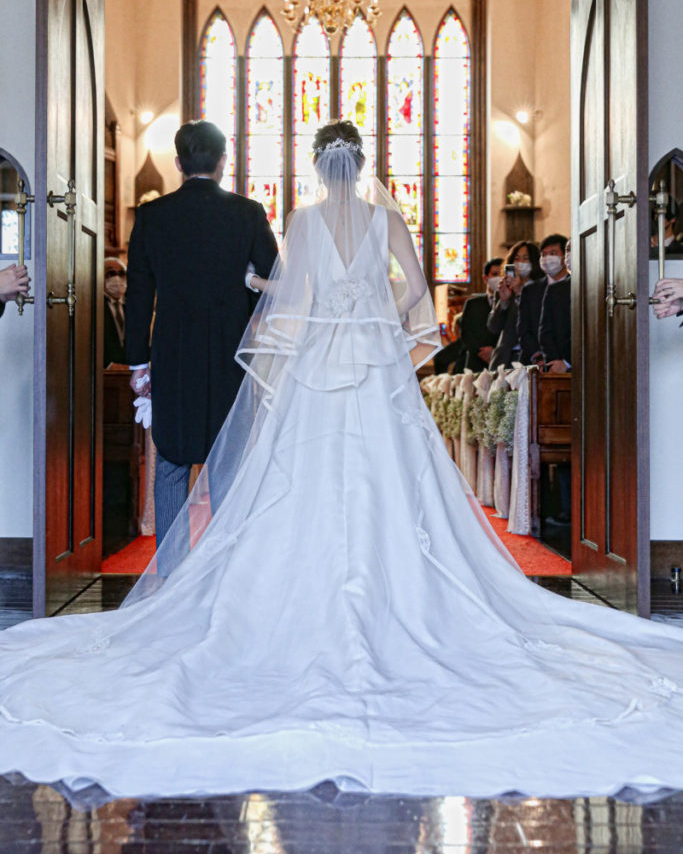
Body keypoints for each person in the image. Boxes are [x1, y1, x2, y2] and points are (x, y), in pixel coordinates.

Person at [4, 122, 683, 802]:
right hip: (373, 361)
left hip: (317, 366)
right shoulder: (386, 219)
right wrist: (374, 311)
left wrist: (263, 286)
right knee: (388, 477)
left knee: (302, 479)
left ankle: (264, 600)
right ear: (361, 167)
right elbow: (416, 294)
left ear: (317, 166)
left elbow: (290, 298)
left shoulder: (302, 221)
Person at [125, 120, 278, 550]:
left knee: (172, 462)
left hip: (173, 355)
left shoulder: (152, 216)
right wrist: (245, 284)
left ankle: (171, 574)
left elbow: (139, 294)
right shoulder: (248, 213)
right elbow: (277, 279)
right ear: (224, 161)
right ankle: (224, 568)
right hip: (232, 354)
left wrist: (138, 362)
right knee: (227, 463)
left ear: (178, 163)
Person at [487, 241, 542, 369]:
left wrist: (519, 293)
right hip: (505, 358)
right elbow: (493, 327)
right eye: (516, 259)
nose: (520, 262)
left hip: (531, 357)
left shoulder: (541, 289)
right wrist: (503, 302)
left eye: (525, 258)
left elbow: (536, 321)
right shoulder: (504, 289)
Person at [518, 233, 568, 365]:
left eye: (553, 253)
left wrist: (563, 360)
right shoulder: (530, 290)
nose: (547, 258)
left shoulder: (576, 286)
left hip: (568, 360)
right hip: (535, 362)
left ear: (565, 257)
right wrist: (537, 355)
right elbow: (524, 329)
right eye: (544, 254)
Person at [457, 256, 502, 372]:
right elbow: (466, 332)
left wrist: (494, 351)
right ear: (485, 278)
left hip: (502, 361)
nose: (499, 278)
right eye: (495, 274)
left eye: (502, 274)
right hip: (476, 362)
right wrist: (482, 352)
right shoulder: (472, 304)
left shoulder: (512, 303)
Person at [539, 239, 572, 373]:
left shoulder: (599, 286)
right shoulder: (555, 289)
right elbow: (545, 331)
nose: (570, 254)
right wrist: (555, 362)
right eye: (568, 250)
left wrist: (568, 362)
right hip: (557, 366)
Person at [103, 257, 127, 367]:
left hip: (130, 369)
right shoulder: (93, 307)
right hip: (103, 370)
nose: (117, 278)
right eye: (110, 273)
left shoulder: (135, 306)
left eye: (121, 273)